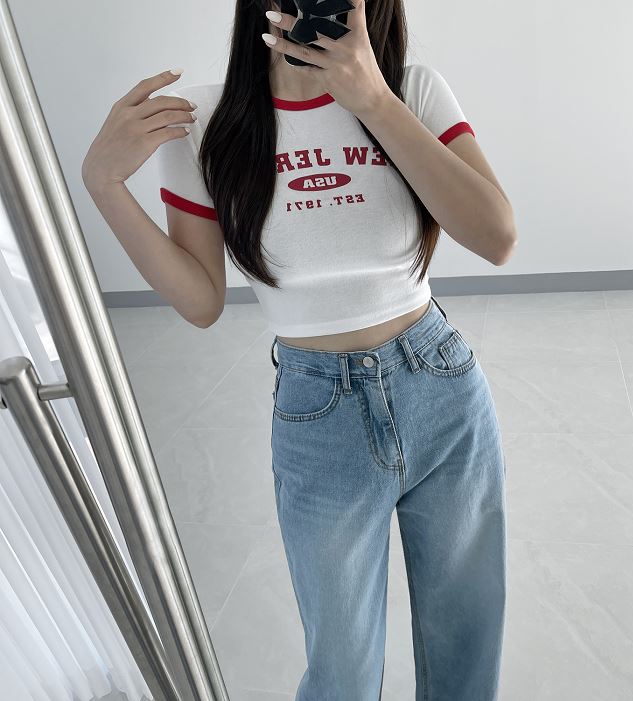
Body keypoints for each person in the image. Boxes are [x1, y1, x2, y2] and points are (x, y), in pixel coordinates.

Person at [81, 1, 517, 698]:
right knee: (341, 669)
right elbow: (201, 301)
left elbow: (496, 237)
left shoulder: (413, 91)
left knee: (466, 640)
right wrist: (104, 187)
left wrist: (374, 102)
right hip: (320, 415)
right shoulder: (207, 124)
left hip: (441, 388)